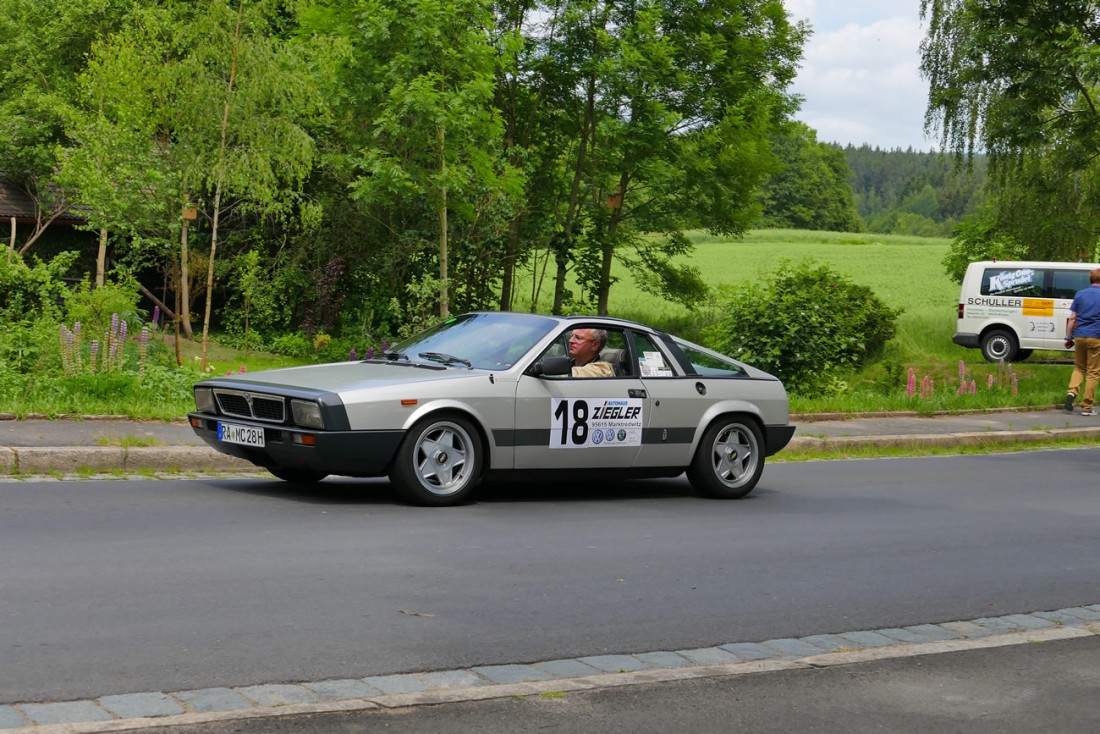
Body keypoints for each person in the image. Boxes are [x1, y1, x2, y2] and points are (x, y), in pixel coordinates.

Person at [1063, 268, 1100, 415]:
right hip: (1096, 337)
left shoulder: (1080, 294)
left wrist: (1067, 338)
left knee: (1079, 368)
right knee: (1093, 372)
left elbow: (1072, 319)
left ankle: (1071, 393)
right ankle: (1086, 407)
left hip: (1079, 336)